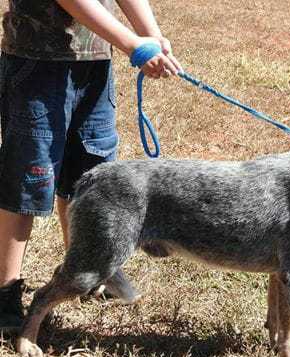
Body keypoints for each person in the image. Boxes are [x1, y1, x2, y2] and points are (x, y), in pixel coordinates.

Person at [0, 0, 183, 334]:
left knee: (89, 173)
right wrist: (133, 45)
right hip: (36, 62)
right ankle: (6, 293)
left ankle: (83, 270)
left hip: (94, 64)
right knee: (28, 178)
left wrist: (151, 35)